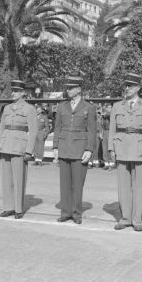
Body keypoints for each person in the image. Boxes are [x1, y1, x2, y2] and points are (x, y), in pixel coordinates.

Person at [109, 72, 142, 232]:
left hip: (139, 148)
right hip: (121, 147)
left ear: (138, 88)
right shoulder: (117, 106)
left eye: (130, 86)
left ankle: (137, 220)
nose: (127, 88)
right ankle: (125, 218)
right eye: (126, 85)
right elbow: (112, 130)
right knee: (123, 186)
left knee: (138, 186)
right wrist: (111, 148)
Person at [52, 75, 97, 224]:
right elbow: (57, 127)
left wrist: (89, 149)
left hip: (79, 149)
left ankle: (77, 213)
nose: (68, 90)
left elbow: (91, 130)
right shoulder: (61, 106)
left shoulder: (89, 107)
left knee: (78, 184)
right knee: (64, 184)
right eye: (67, 87)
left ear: (79, 89)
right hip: (64, 147)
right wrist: (55, 147)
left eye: (71, 87)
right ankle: (65, 212)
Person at [0, 79, 38, 219]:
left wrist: (29, 150)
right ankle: (8, 207)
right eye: (12, 91)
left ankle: (18, 209)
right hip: (6, 144)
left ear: (23, 93)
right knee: (6, 180)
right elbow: (2, 127)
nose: (13, 93)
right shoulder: (7, 108)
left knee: (19, 178)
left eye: (16, 91)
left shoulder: (29, 109)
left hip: (20, 146)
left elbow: (33, 131)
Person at [100, 102, 113, 170]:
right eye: (107, 107)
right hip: (104, 131)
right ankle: (106, 164)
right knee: (104, 148)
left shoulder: (111, 114)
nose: (109, 108)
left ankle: (111, 164)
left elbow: (110, 115)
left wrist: (105, 114)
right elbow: (101, 125)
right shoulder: (103, 115)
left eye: (109, 107)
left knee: (110, 148)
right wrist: (101, 133)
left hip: (110, 132)